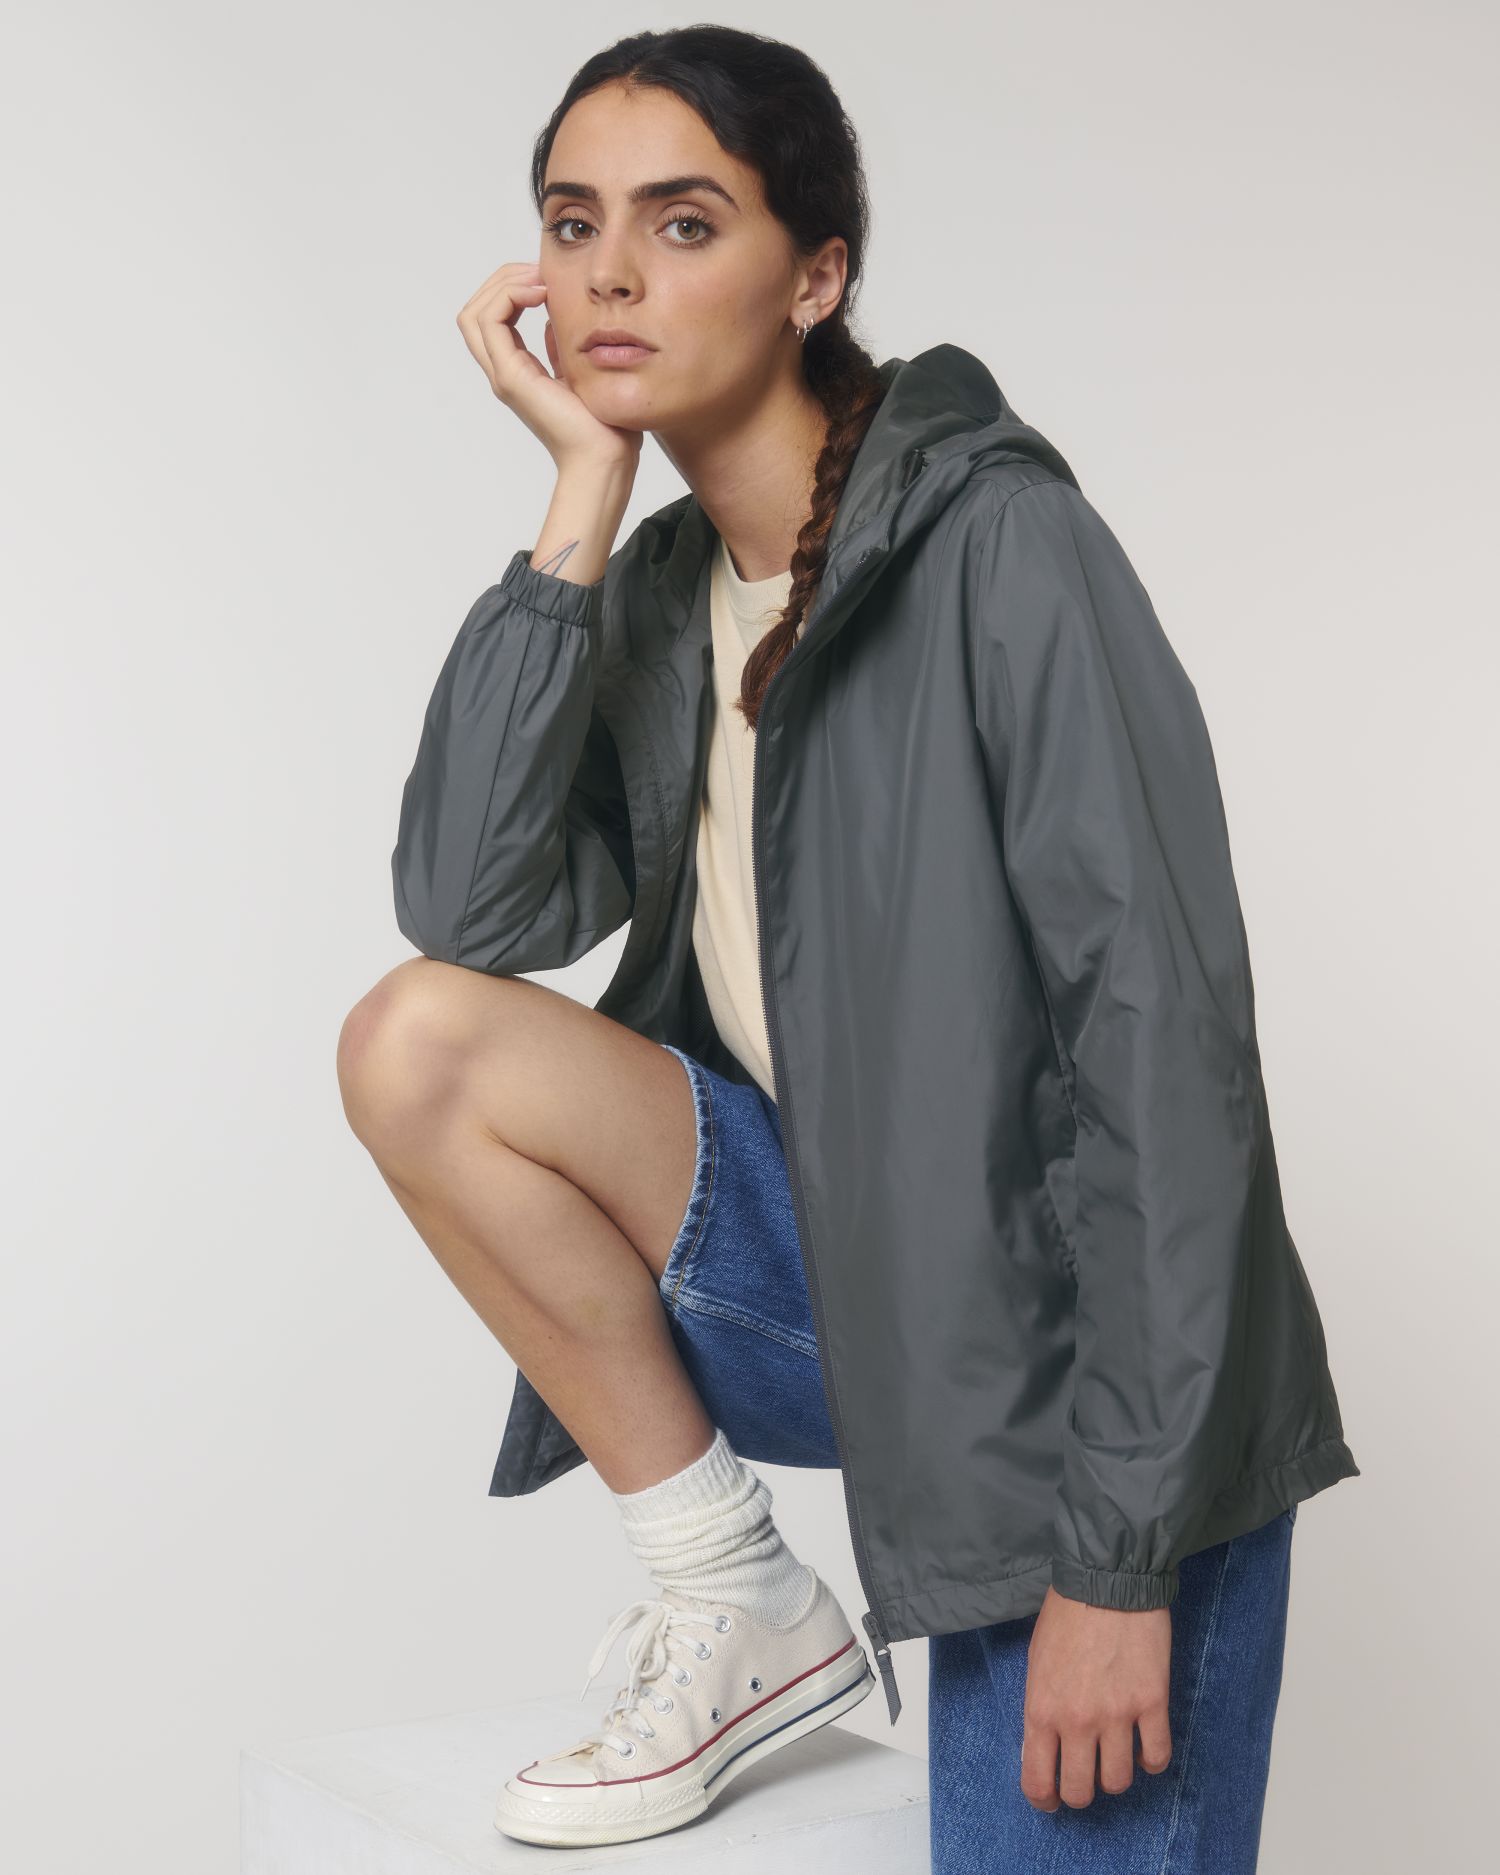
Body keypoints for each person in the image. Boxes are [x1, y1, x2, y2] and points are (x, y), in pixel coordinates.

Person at [336, 25, 1360, 1872]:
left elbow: (1168, 1056)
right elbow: (468, 912)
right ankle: (733, 1591)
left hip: (1077, 1388)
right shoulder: (662, 592)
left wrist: (1120, 1556)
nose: (611, 275)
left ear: (816, 277)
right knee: (421, 1040)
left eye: (683, 223)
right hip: (844, 1290)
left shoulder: (1003, 546)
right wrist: (580, 494)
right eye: (571, 224)